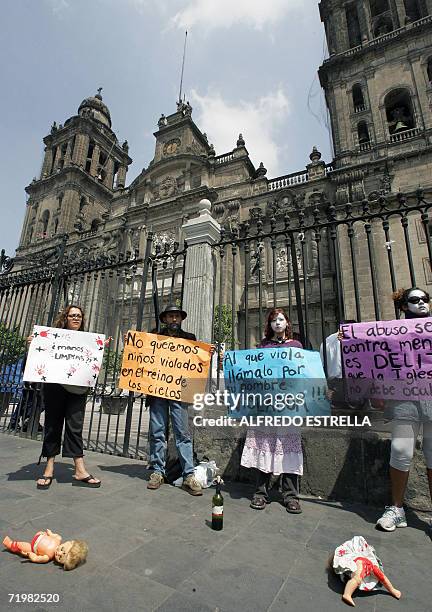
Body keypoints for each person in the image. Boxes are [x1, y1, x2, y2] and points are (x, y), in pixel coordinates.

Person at [376, 287, 432, 531]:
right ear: (403, 306)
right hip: (404, 397)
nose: (421, 303)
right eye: (414, 300)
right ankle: (397, 508)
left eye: (425, 299)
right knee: (400, 449)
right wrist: (348, 337)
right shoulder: (393, 332)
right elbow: (375, 356)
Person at [240, 308, 304, 513]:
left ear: (287, 323)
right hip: (266, 404)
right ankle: (260, 493)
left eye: (281, 319)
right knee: (264, 445)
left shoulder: (296, 346)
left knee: (288, 448)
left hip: (288, 405)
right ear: (270, 324)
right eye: (274, 320)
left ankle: (291, 495)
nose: (278, 323)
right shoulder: (262, 347)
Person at [145, 304, 211, 496]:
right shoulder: (154, 336)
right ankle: (157, 471)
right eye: (170, 316)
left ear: (181, 319)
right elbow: (141, 356)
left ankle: (188, 474)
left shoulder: (189, 339)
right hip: (157, 392)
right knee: (157, 432)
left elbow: (197, 362)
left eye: (177, 316)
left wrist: (207, 354)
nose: (174, 319)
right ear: (164, 319)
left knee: (182, 434)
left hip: (179, 393)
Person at [35, 305, 102, 489]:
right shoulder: (53, 337)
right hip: (55, 387)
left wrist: (100, 349)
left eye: (79, 316)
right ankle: (49, 468)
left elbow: (92, 364)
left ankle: (80, 470)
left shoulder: (88, 340)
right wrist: (33, 344)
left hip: (77, 389)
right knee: (52, 425)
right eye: (72, 315)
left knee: (75, 427)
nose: (76, 318)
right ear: (65, 317)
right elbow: (40, 355)